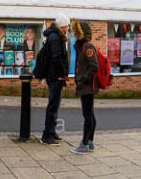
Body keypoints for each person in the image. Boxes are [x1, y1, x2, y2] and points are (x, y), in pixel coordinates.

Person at [69, 20, 99, 154]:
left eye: (76, 32)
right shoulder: (81, 47)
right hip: (85, 86)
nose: (74, 34)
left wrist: (82, 79)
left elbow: (94, 66)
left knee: (87, 115)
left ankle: (84, 144)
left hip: (87, 86)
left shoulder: (88, 47)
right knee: (90, 114)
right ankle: (90, 142)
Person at [40, 14, 70, 145]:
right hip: (55, 76)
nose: (68, 28)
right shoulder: (55, 38)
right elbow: (56, 58)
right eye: (67, 25)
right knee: (53, 105)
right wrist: (61, 75)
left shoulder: (56, 36)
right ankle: (47, 135)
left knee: (55, 105)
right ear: (63, 25)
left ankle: (52, 131)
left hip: (55, 75)